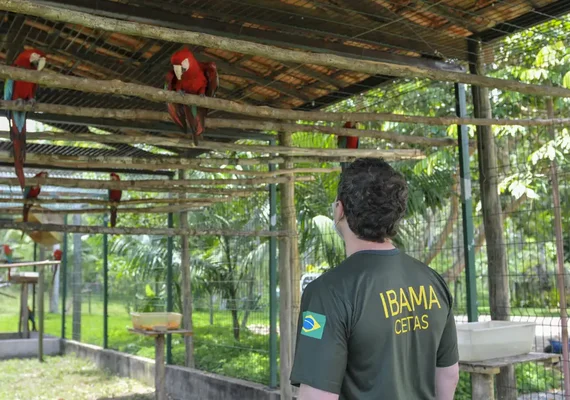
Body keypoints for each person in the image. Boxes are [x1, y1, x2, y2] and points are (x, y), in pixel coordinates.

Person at [290, 158, 459, 400]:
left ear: (340, 210)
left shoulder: (326, 293)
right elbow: (448, 375)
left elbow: (316, 396)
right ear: (396, 214)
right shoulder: (433, 281)